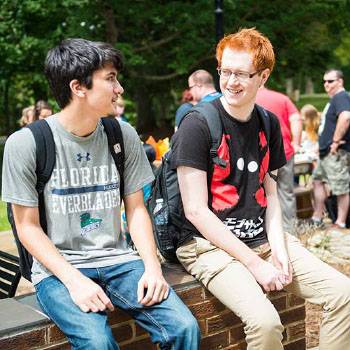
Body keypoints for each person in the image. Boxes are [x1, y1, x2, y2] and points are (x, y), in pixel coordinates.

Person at [2, 38, 200, 350]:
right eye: (110, 79)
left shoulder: (122, 135)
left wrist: (151, 266)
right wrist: (74, 280)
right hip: (58, 268)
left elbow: (136, 210)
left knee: (184, 328)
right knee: (98, 343)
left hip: (119, 259)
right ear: (78, 87)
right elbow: (27, 226)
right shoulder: (27, 143)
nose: (119, 88)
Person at [171, 28, 350, 350]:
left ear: (263, 76)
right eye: (225, 71)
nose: (231, 81)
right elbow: (195, 210)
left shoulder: (267, 123)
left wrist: (280, 249)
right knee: (266, 323)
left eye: (242, 73)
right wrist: (255, 264)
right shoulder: (196, 124)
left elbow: (270, 196)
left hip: (261, 237)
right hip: (207, 246)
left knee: (344, 295)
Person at [256, 86, 302, 234]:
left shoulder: (249, 98)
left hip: (260, 155)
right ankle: (291, 231)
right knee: (286, 192)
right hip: (285, 152)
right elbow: (296, 119)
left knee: (260, 193)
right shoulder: (282, 98)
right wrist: (296, 142)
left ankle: (266, 231)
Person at [312, 69, 350, 229]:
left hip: (335, 152)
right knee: (317, 181)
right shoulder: (334, 99)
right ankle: (317, 216)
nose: (326, 84)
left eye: (330, 81)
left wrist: (335, 141)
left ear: (340, 82)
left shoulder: (341, 96)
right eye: (325, 81)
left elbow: (346, 116)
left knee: (340, 188)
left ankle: (340, 222)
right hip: (326, 152)